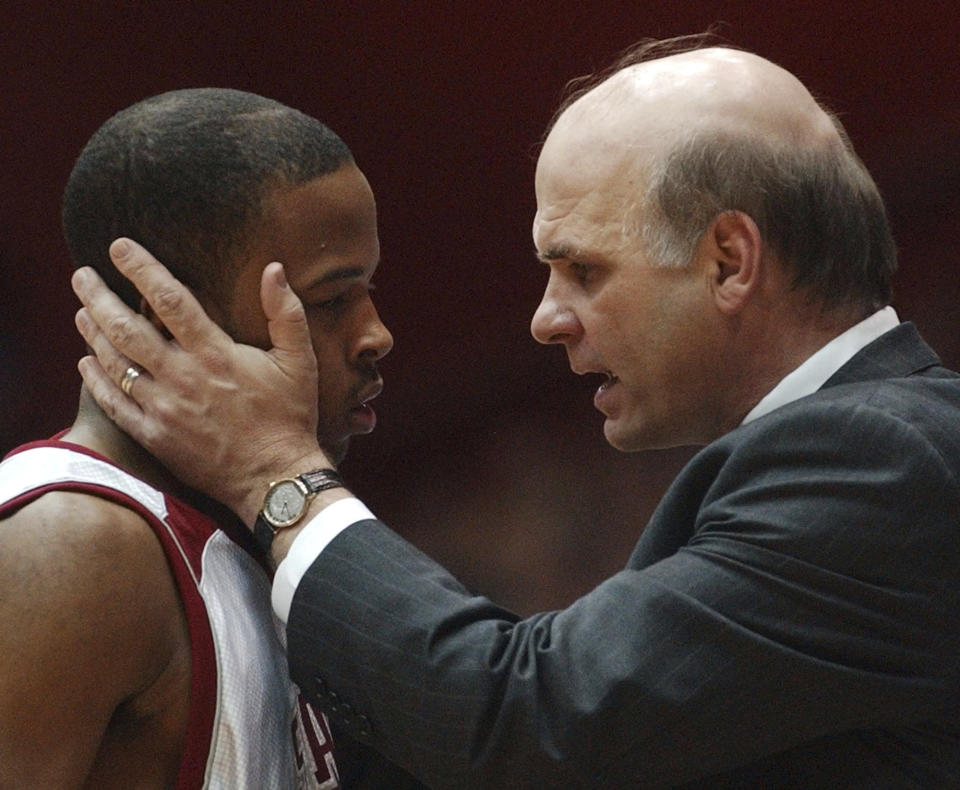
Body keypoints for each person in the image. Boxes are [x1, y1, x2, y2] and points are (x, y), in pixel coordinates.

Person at [71, 40, 960, 788]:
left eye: (581, 269)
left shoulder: (879, 455)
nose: (546, 318)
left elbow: (521, 721)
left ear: (729, 261)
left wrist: (277, 476)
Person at [0, 88, 409, 788]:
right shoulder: (72, 544)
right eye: (332, 300)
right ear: (162, 315)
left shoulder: (252, 533)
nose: (377, 335)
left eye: (370, 289)